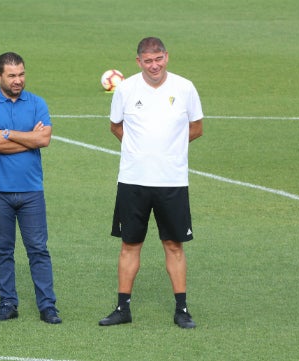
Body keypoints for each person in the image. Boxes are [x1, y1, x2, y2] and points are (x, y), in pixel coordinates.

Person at [99, 37, 203, 329]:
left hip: (172, 181)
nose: (154, 65)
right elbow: (115, 126)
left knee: (174, 245)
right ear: (138, 62)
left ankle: (182, 309)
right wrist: (139, 150)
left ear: (166, 57)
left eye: (158, 59)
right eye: (148, 61)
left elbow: (197, 127)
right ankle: (122, 308)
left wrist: (169, 151)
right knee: (129, 245)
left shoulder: (185, 87)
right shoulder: (127, 89)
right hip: (133, 180)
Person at [0, 52, 61, 324]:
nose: (18, 80)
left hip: (31, 190)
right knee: (3, 249)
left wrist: (8, 133)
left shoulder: (37, 103)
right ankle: (8, 303)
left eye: (21, 74)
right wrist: (29, 138)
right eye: (12, 75)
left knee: (38, 249)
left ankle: (47, 306)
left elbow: (44, 139)